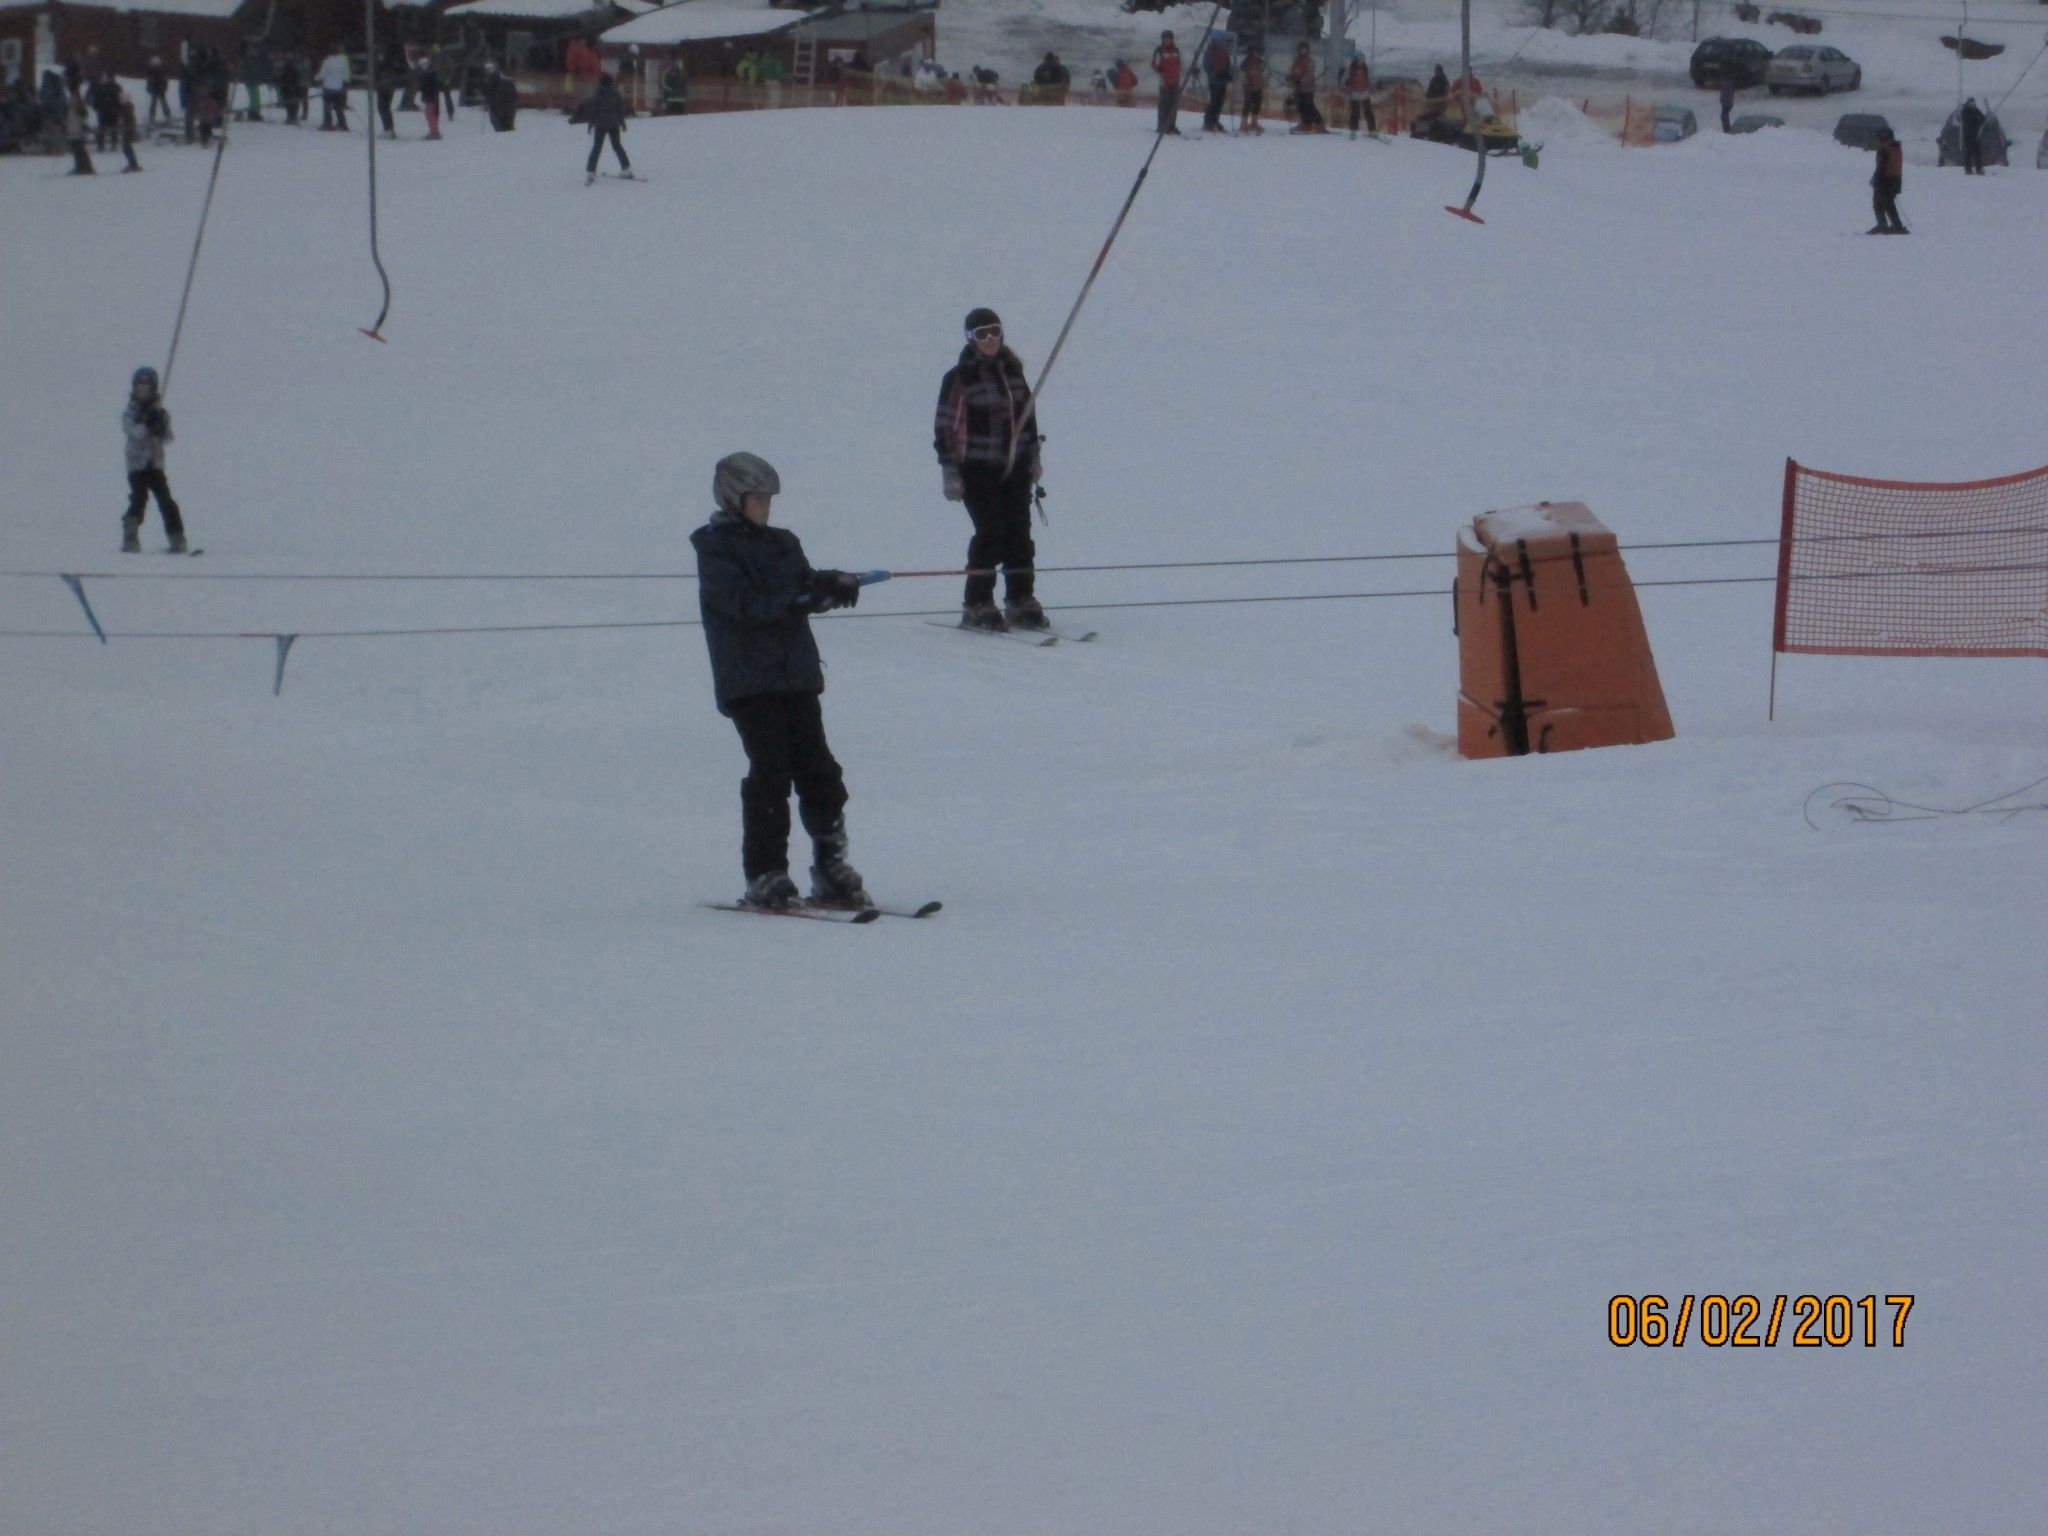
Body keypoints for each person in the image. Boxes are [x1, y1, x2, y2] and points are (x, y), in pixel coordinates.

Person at [691, 453, 869, 910]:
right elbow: (742, 605)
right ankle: (766, 872)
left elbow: (802, 585)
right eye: (758, 499)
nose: (766, 507)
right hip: (749, 680)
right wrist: (797, 599)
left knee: (819, 768)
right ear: (734, 500)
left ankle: (830, 865)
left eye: (769, 499)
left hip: (795, 674)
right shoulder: (715, 549)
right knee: (771, 769)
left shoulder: (783, 542)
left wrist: (832, 585)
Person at [934, 307, 1047, 633]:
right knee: (990, 532)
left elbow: (1028, 418)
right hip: (977, 469)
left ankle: (1021, 599)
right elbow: (945, 426)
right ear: (970, 339)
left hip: (1015, 467)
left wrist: (1033, 456)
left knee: (1019, 534)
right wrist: (950, 469)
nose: (989, 339)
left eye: (994, 331)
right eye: (981, 334)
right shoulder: (960, 378)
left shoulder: (1013, 373)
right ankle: (978, 603)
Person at [121, 367, 186, 554]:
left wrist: (159, 425)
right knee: (139, 498)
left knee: (166, 500)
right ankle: (130, 536)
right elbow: (133, 431)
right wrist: (145, 422)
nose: (143, 389)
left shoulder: (160, 411)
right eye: (139, 385)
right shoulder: (130, 412)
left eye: (146, 386)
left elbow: (168, 438)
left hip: (155, 464)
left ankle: (177, 538)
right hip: (137, 465)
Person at [583, 69, 629, 182]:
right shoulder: (616, 94)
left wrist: (590, 124)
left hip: (600, 124)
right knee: (617, 146)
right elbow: (620, 110)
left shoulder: (597, 94)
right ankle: (626, 169)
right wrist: (622, 123)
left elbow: (593, 110)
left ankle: (591, 171)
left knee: (597, 147)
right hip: (613, 124)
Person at [1870, 127, 1906, 233]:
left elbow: (1881, 167)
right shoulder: (1896, 147)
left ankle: (1889, 225)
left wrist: (1877, 180)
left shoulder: (1885, 149)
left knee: (1881, 204)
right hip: (1895, 179)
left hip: (1884, 180)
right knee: (1887, 203)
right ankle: (1894, 225)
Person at [1287, 42, 1326, 133]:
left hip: (1308, 88)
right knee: (1300, 106)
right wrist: (1290, 77)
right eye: (1300, 49)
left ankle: (1319, 124)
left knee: (1309, 105)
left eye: (1304, 49)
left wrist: (1300, 81)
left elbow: (1309, 75)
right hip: (1298, 88)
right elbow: (1293, 71)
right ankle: (1306, 124)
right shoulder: (1296, 60)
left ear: (1307, 50)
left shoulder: (1310, 61)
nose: (1302, 51)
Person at [1151, 29, 1182, 135]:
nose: (1167, 41)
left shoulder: (1176, 50)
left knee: (1174, 104)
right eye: (1165, 39)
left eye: (1169, 39)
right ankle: (1162, 126)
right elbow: (1154, 63)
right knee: (1164, 104)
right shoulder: (1160, 50)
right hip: (1164, 81)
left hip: (1175, 80)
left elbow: (1178, 63)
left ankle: (1171, 125)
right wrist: (1159, 69)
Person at [1200, 35, 1231, 132]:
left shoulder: (1224, 51)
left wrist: (1228, 74)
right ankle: (1208, 122)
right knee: (1214, 101)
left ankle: (1215, 120)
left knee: (1220, 101)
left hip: (1223, 79)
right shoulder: (1209, 51)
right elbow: (1206, 65)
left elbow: (1228, 64)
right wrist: (1214, 74)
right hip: (1214, 80)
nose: (1221, 44)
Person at [1342, 52, 1375, 136]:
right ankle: (1353, 130)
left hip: (1365, 92)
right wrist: (1347, 85)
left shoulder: (1366, 68)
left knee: (1368, 112)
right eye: (1361, 60)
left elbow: (1371, 78)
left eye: (1363, 60)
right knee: (1355, 112)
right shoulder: (1350, 69)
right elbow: (1344, 79)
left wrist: (1371, 87)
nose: (1362, 61)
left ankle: (1372, 130)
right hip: (1354, 93)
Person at [318, 47, 350, 130]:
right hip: (339, 87)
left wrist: (316, 78)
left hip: (328, 87)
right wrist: (345, 84)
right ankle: (342, 124)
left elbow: (322, 74)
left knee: (327, 106)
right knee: (338, 107)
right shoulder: (342, 61)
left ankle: (328, 123)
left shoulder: (327, 61)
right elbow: (346, 74)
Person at [62, 91, 93, 173]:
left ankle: (87, 167)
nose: (71, 104)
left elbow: (83, 122)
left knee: (81, 152)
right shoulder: (67, 112)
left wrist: (85, 129)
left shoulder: (79, 112)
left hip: (79, 135)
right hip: (71, 135)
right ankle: (79, 167)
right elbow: (66, 123)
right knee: (76, 153)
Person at [415, 53, 442, 139]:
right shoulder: (429, 73)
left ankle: (435, 133)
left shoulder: (429, 74)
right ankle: (433, 131)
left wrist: (422, 87)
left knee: (430, 115)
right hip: (430, 96)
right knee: (430, 115)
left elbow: (428, 86)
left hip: (431, 97)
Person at [1238, 48, 1265, 132]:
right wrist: (1246, 82)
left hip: (1258, 87)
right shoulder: (1245, 62)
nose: (1257, 54)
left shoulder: (1261, 62)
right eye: (1255, 52)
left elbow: (1264, 72)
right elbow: (1241, 75)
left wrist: (1263, 80)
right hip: (1249, 87)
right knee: (1247, 104)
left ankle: (1254, 122)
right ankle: (1243, 124)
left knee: (1257, 105)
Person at [1958, 97, 1985, 175]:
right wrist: (1977, 120)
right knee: (1969, 153)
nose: (1973, 104)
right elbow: (1968, 121)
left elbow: (1982, 118)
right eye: (1971, 103)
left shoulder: (1976, 110)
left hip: (1977, 135)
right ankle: (1968, 169)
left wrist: (1985, 119)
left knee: (1978, 153)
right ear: (1968, 103)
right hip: (1968, 135)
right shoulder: (1964, 111)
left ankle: (1979, 169)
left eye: (1974, 103)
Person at [117, 88, 141, 170]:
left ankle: (133, 165)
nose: (120, 101)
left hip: (128, 130)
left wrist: (124, 126)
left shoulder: (126, 108)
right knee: (127, 148)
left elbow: (128, 120)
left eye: (122, 99)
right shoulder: (127, 107)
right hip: (128, 129)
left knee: (127, 148)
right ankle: (133, 164)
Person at [145, 55, 171, 128]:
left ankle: (166, 115)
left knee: (162, 102)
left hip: (160, 89)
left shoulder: (161, 71)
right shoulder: (151, 72)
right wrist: (150, 88)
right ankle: (153, 116)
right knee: (155, 103)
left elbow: (164, 81)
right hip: (156, 89)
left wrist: (164, 87)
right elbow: (150, 81)